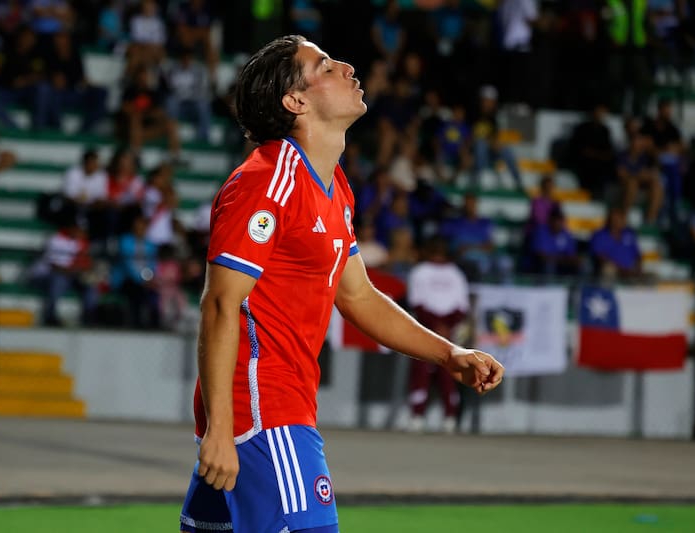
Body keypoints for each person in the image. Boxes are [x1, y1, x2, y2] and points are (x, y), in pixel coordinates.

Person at [181, 35, 504, 533]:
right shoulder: (268, 181)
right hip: (266, 414)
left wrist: (447, 354)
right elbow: (221, 304)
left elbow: (357, 295)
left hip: (271, 413)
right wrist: (222, 430)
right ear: (296, 101)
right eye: (326, 65)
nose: (349, 67)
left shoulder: (334, 187)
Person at [406, 235, 470, 434]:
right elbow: (417, 303)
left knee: (449, 373)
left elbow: (461, 306)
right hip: (425, 330)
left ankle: (450, 416)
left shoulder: (456, 274)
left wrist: (445, 326)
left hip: (449, 332)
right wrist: (437, 326)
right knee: (421, 372)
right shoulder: (420, 272)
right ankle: (417, 415)